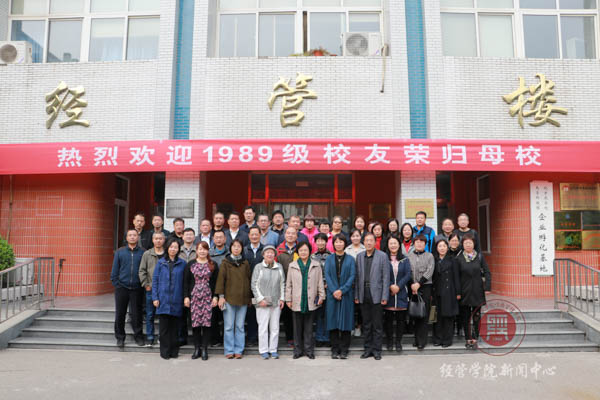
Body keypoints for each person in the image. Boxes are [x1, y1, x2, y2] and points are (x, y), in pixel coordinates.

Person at [286, 241, 325, 359]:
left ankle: (309, 350)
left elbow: (320, 282)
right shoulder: (292, 265)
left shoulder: (316, 265)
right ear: (298, 252)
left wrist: (321, 296)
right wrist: (288, 299)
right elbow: (289, 284)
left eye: (305, 250)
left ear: (309, 251)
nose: (303, 252)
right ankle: (297, 351)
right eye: (301, 250)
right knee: (297, 328)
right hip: (296, 299)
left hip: (311, 299)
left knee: (309, 328)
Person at [355, 233, 390, 360]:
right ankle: (367, 349)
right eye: (366, 240)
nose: (369, 243)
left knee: (377, 325)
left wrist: (385, 295)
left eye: (371, 240)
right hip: (363, 293)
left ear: (375, 242)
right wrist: (357, 295)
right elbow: (357, 277)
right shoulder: (359, 256)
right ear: (363, 242)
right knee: (366, 324)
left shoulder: (382, 256)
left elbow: (386, 277)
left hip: (377, 294)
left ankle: (377, 350)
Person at [215, 239, 251, 359]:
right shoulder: (225, 262)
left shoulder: (245, 263)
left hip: (243, 299)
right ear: (230, 248)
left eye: (238, 246)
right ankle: (229, 350)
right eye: (234, 246)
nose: (236, 248)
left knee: (240, 326)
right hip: (228, 299)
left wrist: (250, 297)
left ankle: (239, 350)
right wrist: (221, 297)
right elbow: (221, 280)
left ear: (242, 248)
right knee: (229, 326)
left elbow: (249, 279)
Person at [152, 238, 186, 360]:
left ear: (178, 249)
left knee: (175, 328)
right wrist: (155, 297)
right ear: (167, 248)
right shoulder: (161, 263)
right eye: (171, 247)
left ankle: (174, 351)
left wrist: (184, 297)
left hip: (177, 299)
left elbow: (185, 283)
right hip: (163, 300)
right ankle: (165, 352)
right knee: (164, 329)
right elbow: (155, 281)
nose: (173, 249)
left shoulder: (182, 264)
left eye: (175, 247)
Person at [111, 229, 146, 349]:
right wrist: (117, 284)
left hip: (137, 288)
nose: (132, 237)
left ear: (138, 237)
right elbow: (115, 270)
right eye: (130, 235)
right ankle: (120, 338)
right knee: (120, 314)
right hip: (122, 287)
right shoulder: (120, 252)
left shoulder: (143, 252)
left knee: (137, 314)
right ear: (126, 238)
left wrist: (142, 284)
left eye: (134, 235)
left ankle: (138, 336)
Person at [184, 241, 218, 360]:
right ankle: (197, 348)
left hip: (208, 296)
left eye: (204, 249)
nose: (202, 251)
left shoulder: (212, 264)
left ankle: (204, 349)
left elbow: (216, 282)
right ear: (196, 251)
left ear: (208, 251)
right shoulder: (191, 264)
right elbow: (186, 282)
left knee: (207, 324)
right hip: (194, 297)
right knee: (196, 324)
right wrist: (186, 296)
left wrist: (216, 296)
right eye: (200, 249)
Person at [456, 234, 491, 349]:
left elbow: (487, 271)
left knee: (476, 316)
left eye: (470, 243)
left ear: (474, 244)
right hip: (464, 291)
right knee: (465, 317)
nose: (468, 245)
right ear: (462, 244)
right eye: (466, 243)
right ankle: (468, 338)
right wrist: (458, 292)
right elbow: (456, 277)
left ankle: (475, 338)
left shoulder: (479, 256)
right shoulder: (459, 258)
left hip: (477, 291)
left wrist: (487, 287)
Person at [324, 234, 356, 359]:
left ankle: (344, 349)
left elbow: (352, 276)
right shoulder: (329, 259)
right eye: (336, 242)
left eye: (341, 242)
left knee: (346, 322)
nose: (338, 244)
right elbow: (327, 275)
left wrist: (342, 291)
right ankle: (334, 349)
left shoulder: (350, 259)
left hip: (346, 295)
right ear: (333, 244)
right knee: (332, 322)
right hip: (332, 295)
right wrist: (334, 291)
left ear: (345, 243)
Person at [251, 245, 285, 360]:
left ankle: (273, 349)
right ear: (263, 255)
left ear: (275, 255)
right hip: (262, 302)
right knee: (263, 327)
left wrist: (282, 298)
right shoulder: (258, 267)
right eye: (267, 252)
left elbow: (282, 283)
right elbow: (254, 284)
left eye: (272, 252)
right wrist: (260, 299)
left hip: (276, 301)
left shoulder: (279, 267)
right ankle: (264, 350)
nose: (270, 254)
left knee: (275, 327)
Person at [383, 235, 411, 352]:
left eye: (395, 243)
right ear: (388, 245)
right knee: (388, 320)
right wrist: (390, 285)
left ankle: (398, 342)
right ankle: (389, 342)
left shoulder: (405, 259)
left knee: (401, 320)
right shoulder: (384, 258)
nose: (393, 245)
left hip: (401, 292)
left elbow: (408, 274)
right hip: (388, 293)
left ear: (399, 245)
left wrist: (398, 286)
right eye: (391, 243)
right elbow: (382, 274)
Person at [407, 235, 435, 350]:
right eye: (417, 242)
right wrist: (413, 285)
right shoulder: (409, 256)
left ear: (425, 244)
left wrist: (419, 284)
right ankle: (416, 339)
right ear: (414, 244)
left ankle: (422, 341)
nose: (419, 244)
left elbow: (430, 270)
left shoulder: (429, 256)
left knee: (424, 314)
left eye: (422, 242)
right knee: (415, 313)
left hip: (425, 287)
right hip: (412, 287)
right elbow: (407, 271)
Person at [432, 239, 461, 348]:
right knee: (436, 317)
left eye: (444, 246)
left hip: (449, 292)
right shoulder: (433, 260)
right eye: (440, 246)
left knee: (448, 317)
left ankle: (447, 340)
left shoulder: (453, 260)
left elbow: (456, 277)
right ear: (436, 248)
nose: (442, 248)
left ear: (447, 247)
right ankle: (437, 339)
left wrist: (458, 292)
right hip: (436, 291)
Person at [138, 231, 166, 346]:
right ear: (153, 240)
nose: (158, 241)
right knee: (150, 314)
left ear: (164, 240)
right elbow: (142, 271)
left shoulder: (167, 254)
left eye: (160, 238)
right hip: (151, 289)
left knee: (163, 315)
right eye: (156, 238)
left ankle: (162, 336)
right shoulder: (147, 254)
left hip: (164, 290)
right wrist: (146, 285)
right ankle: (150, 337)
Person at [275, 226, 299, 346]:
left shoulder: (301, 249)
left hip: (298, 286)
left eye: (293, 233)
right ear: (285, 235)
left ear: (296, 236)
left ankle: (298, 338)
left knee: (298, 314)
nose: (290, 235)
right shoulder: (279, 250)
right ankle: (290, 338)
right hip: (283, 286)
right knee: (287, 314)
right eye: (288, 233)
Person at [243, 226, 264, 347]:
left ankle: (261, 338)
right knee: (250, 314)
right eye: (252, 234)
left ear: (260, 235)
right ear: (249, 236)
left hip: (262, 288)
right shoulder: (244, 250)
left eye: (257, 234)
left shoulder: (265, 250)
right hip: (248, 287)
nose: (254, 236)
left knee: (262, 314)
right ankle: (251, 338)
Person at [208, 230, 229, 346]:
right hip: (213, 287)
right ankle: (215, 339)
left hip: (228, 287)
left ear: (225, 239)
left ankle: (227, 340)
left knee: (227, 316)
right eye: (216, 237)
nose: (219, 239)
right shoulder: (209, 254)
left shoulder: (229, 252)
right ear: (213, 239)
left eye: (221, 237)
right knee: (214, 315)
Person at [311, 233, 331, 346]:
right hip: (316, 289)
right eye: (318, 240)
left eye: (322, 240)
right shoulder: (312, 256)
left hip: (329, 288)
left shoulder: (331, 255)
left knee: (328, 313)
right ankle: (319, 338)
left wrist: (328, 283)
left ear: (326, 242)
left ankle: (327, 338)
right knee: (318, 314)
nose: (320, 242)